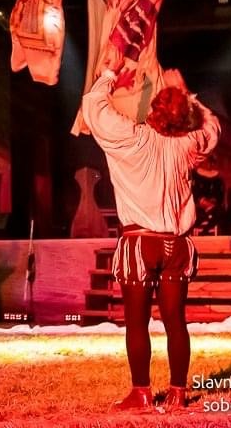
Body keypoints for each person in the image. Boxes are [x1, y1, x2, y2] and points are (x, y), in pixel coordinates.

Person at [82, 68, 221, 411]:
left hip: (140, 243)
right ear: (183, 118)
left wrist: (110, 74)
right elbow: (212, 128)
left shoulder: (131, 138)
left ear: (153, 112)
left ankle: (142, 393)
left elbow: (94, 107)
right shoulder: (188, 145)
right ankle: (177, 392)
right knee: (175, 320)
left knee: (136, 321)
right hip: (177, 245)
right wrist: (185, 92)